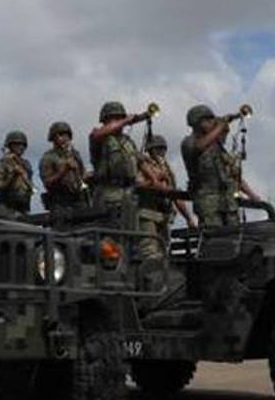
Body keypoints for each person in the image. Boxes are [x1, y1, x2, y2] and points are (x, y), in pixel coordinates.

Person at [181, 104, 260, 227]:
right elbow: (199, 147)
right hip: (208, 202)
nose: (211, 123)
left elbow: (234, 175)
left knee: (233, 239)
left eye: (211, 120)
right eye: (207, 120)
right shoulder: (189, 142)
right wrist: (222, 124)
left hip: (228, 202)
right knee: (214, 240)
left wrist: (252, 195)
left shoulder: (217, 148)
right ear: (196, 122)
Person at [136, 135, 196, 290]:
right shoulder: (143, 165)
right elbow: (139, 185)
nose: (161, 152)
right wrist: (158, 182)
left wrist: (189, 218)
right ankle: (150, 289)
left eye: (163, 149)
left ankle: (163, 288)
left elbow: (175, 196)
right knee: (150, 253)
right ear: (150, 150)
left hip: (163, 216)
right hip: (147, 213)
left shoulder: (167, 169)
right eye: (157, 149)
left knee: (163, 254)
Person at [88, 101, 150, 220]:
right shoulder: (99, 136)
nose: (118, 121)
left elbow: (140, 163)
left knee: (130, 234)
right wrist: (126, 121)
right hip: (108, 193)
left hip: (128, 194)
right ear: (105, 120)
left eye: (120, 117)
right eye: (114, 118)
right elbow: (98, 135)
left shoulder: (128, 141)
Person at [39, 121, 89, 218]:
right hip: (60, 203)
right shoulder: (48, 157)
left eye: (66, 135)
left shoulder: (75, 154)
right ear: (54, 138)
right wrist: (63, 171)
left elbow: (83, 174)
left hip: (78, 200)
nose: (64, 138)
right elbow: (47, 182)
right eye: (60, 135)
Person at [0, 131, 34, 213]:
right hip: (7, 207)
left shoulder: (26, 165)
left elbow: (30, 188)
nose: (21, 147)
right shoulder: (2, 164)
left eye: (23, 145)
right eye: (17, 144)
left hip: (23, 207)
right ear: (10, 145)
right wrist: (13, 175)